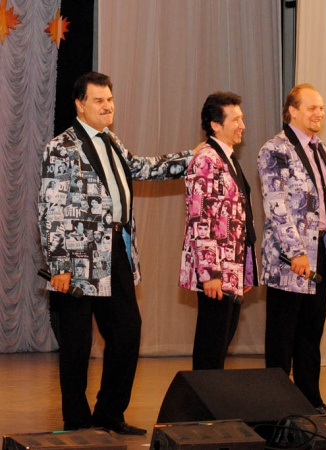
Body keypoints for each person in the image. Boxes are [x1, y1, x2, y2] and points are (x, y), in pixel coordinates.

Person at [38, 71, 193, 434]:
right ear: (80, 105)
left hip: (116, 251)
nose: (107, 106)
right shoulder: (61, 147)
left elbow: (141, 168)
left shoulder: (111, 141)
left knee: (127, 332)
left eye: (110, 99)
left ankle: (109, 414)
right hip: (77, 260)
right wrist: (58, 264)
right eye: (99, 100)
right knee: (76, 345)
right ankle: (77, 422)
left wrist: (191, 158)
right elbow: (50, 208)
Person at [257, 84, 326, 414]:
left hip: (319, 252)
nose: (319, 113)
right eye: (312, 108)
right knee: (282, 336)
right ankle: (276, 407)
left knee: (311, 332)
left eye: (321, 108)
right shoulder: (274, 149)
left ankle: (310, 401)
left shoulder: (319, 148)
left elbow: (325, 201)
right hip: (288, 258)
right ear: (292, 111)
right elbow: (276, 205)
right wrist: (296, 252)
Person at [179, 91, 258, 370]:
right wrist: (209, 273)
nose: (242, 125)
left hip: (231, 268)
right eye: (235, 119)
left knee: (220, 344)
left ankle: (210, 396)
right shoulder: (206, 159)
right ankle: (202, 398)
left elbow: (237, 217)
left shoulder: (227, 157)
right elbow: (201, 219)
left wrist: (245, 269)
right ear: (215, 124)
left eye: (242, 119)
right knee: (211, 348)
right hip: (215, 271)